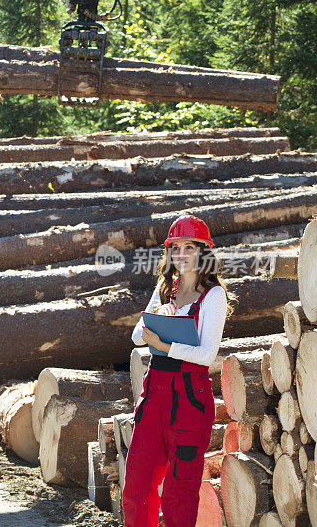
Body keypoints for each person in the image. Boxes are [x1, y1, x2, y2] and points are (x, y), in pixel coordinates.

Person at [122, 214, 236, 527]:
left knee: (179, 494)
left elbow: (206, 354)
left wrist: (164, 342)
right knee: (136, 487)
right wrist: (159, 313)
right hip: (154, 391)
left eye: (190, 246)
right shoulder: (165, 289)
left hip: (189, 396)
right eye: (176, 247)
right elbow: (136, 336)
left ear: (203, 251)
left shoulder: (213, 296)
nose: (182, 254)